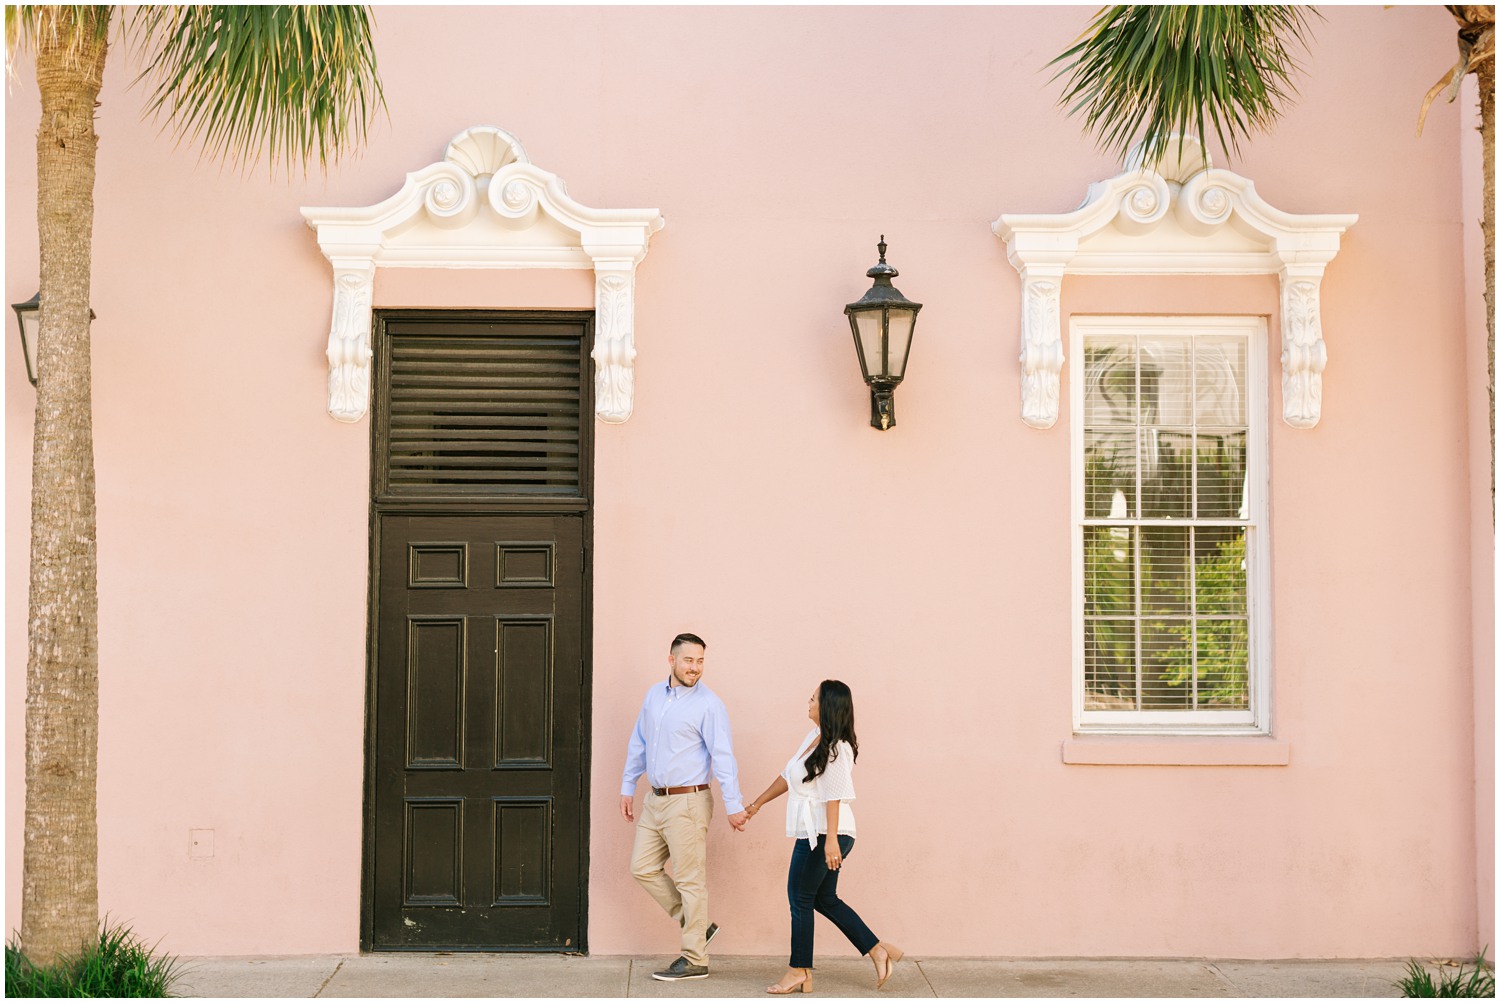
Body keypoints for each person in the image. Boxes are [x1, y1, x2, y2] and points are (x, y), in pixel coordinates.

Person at [744, 679, 903, 995]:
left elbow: (835, 796)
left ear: (827, 706)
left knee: (799, 897)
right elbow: (789, 776)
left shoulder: (837, 748)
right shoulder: (814, 738)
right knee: (823, 898)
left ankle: (798, 970)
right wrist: (756, 804)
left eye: (814, 697)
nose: (809, 700)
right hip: (815, 831)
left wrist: (831, 840)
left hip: (827, 833)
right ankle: (877, 950)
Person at [620, 632, 748, 982]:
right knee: (641, 867)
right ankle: (699, 925)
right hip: (655, 800)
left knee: (691, 881)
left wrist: (733, 804)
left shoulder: (709, 704)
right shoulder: (653, 696)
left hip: (689, 801)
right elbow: (638, 742)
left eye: (701, 661)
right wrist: (627, 786)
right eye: (689, 660)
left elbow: (723, 757)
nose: (695, 668)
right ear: (671, 660)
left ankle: (695, 958)